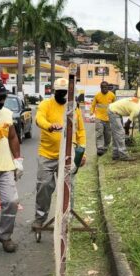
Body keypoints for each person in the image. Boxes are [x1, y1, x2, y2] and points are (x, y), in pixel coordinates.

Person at [32, 78, 86, 229]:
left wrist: (82, 151)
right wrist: (49, 126)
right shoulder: (46, 104)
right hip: (47, 155)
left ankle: (66, 219)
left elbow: (80, 130)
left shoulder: (74, 107)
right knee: (44, 187)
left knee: (69, 188)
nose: (63, 96)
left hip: (68, 155)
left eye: (66, 93)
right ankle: (40, 218)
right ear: (54, 92)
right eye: (60, 92)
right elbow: (39, 119)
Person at [0, 79, 23, 253]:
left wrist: (18, 160)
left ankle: (5, 236)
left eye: (2, 97)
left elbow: (12, 137)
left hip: (6, 167)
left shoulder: (7, 114)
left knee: (11, 202)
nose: (0, 101)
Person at [90, 81, 116, 156]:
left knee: (108, 134)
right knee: (99, 133)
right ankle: (100, 148)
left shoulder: (112, 95)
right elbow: (93, 105)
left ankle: (106, 147)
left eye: (105, 87)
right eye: (102, 87)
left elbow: (115, 105)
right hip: (99, 118)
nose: (104, 89)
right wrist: (91, 112)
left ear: (108, 87)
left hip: (109, 118)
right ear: (100, 88)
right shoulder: (97, 95)